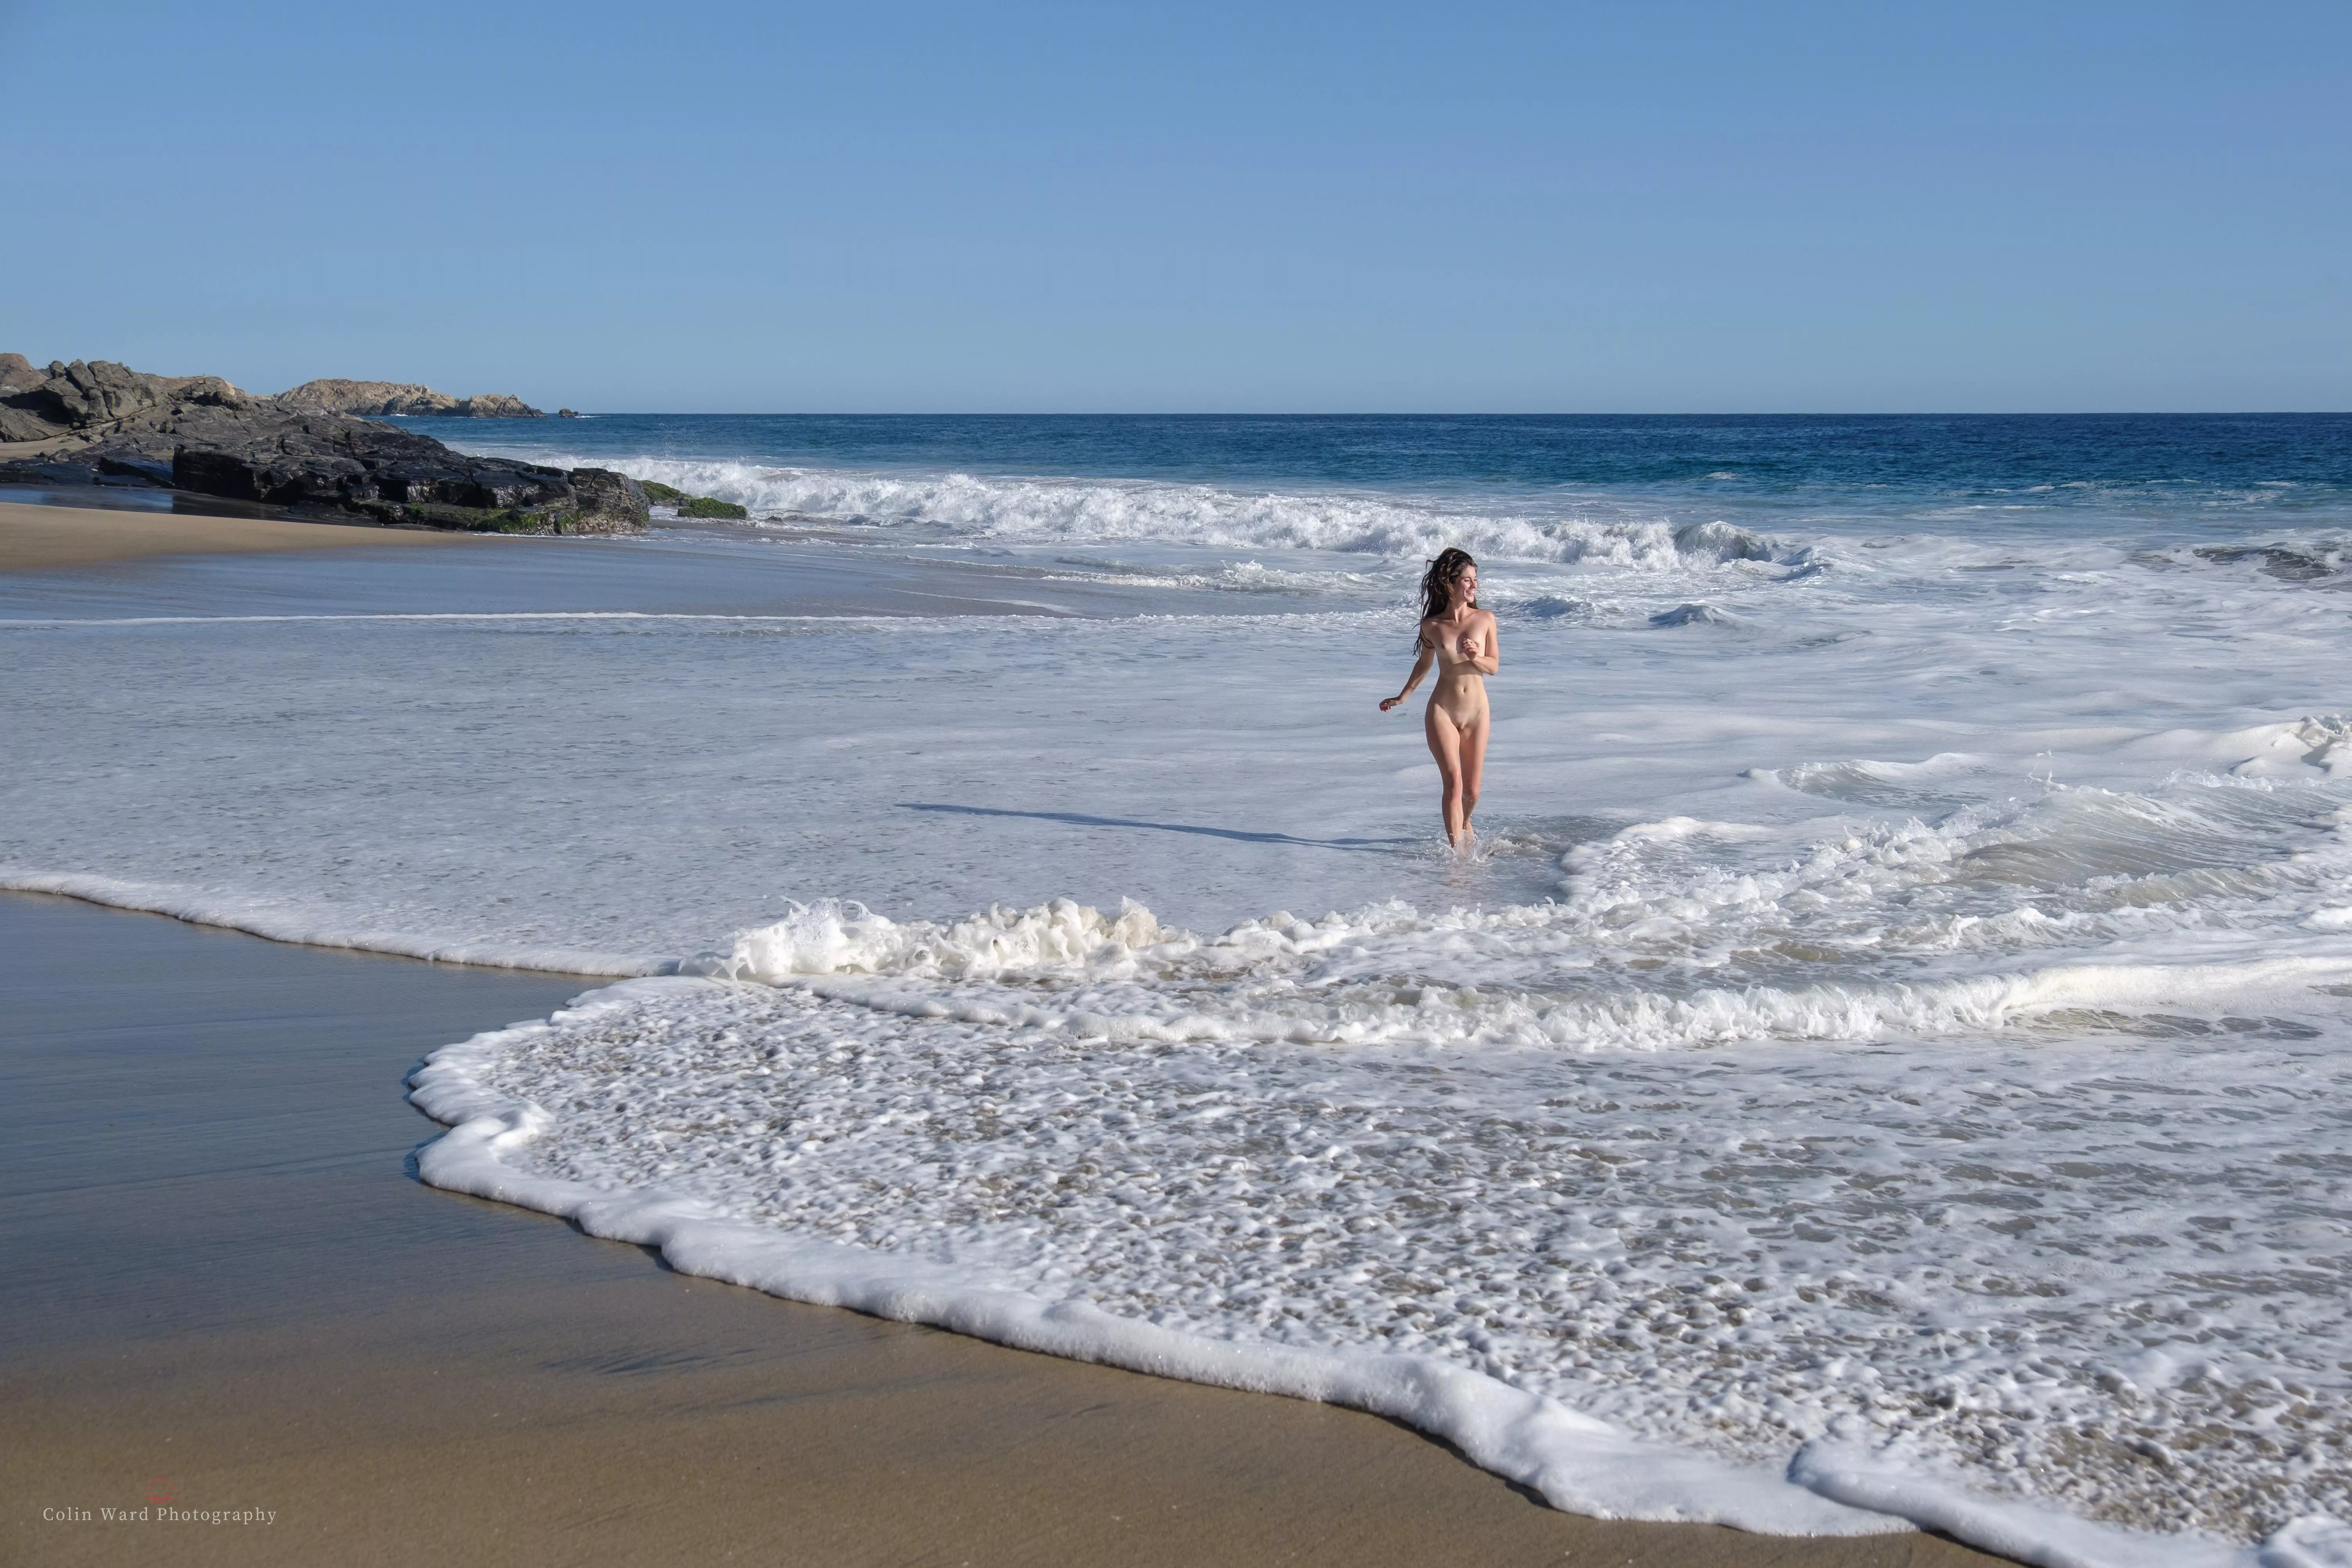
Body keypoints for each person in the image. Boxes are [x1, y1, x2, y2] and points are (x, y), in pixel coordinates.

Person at [1381, 548, 1499, 849]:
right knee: (1453, 783)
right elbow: (1424, 664)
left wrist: (1476, 657)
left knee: (1472, 791)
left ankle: (1464, 821)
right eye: (1467, 580)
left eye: (1475, 580)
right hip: (1442, 711)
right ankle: (1456, 856)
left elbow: (1494, 667)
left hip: (1477, 713)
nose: (1474, 586)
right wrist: (1402, 697)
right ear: (1450, 583)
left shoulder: (1485, 619)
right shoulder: (1431, 626)